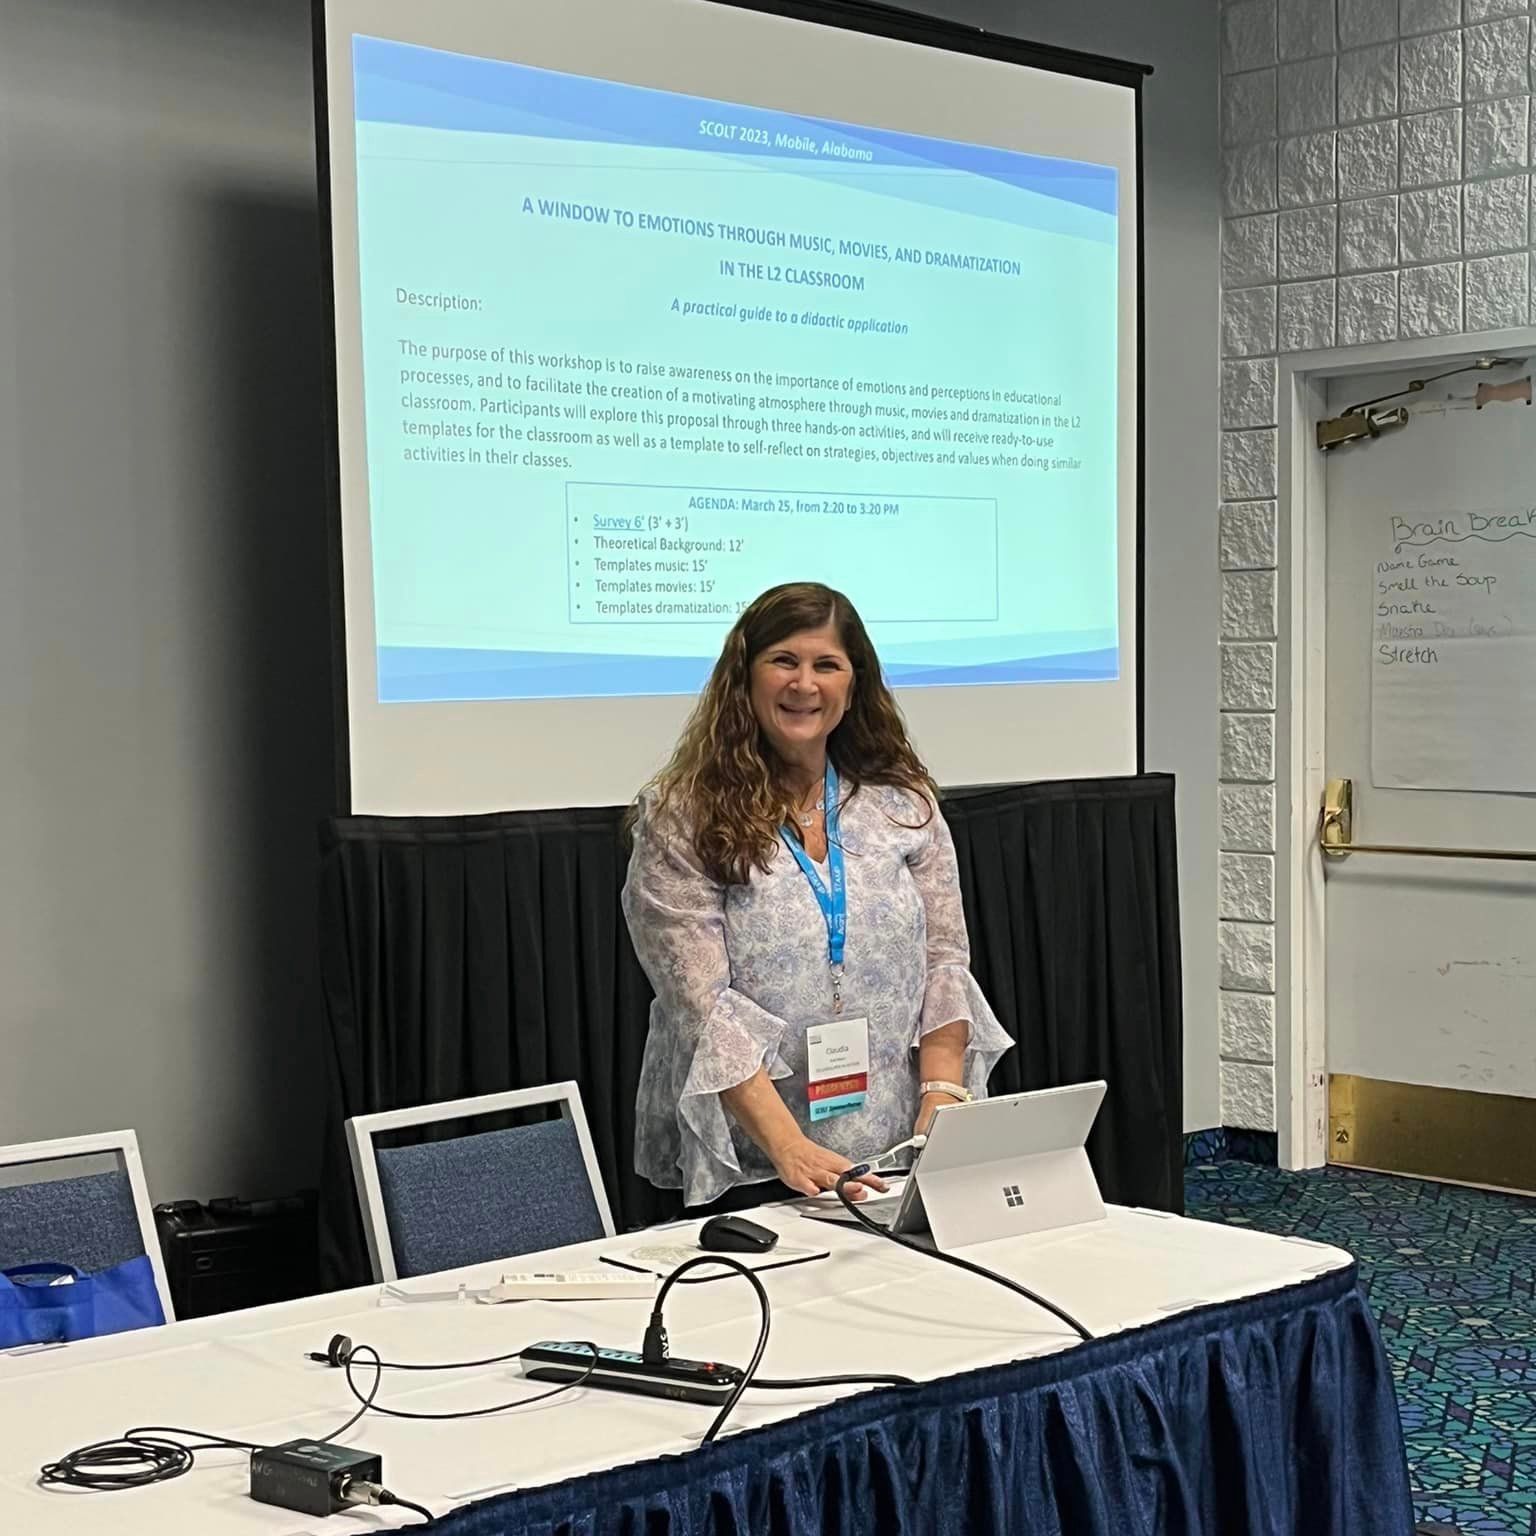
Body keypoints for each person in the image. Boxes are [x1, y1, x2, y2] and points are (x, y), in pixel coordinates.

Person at [622, 581, 1012, 1211]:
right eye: (784, 661)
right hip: (754, 1162)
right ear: (744, 678)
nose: (804, 684)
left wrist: (942, 1097)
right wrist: (789, 1147)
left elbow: (945, 963)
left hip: (895, 1148)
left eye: (826, 664)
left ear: (854, 685)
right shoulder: (683, 816)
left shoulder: (902, 805)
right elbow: (701, 1008)